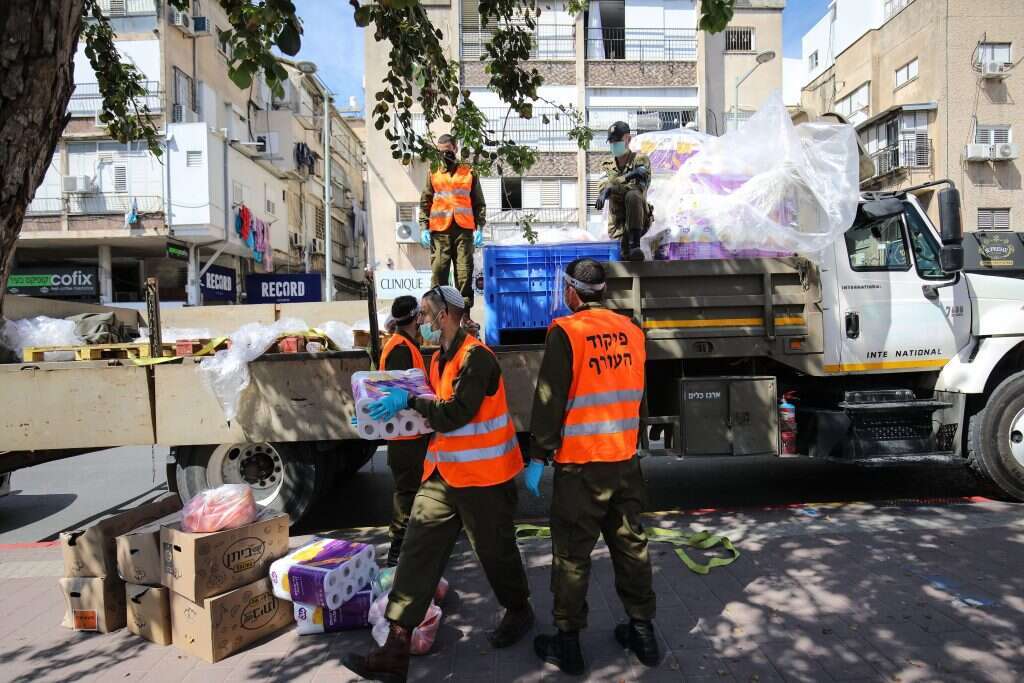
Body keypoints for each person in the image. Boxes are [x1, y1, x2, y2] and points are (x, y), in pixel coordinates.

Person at [344, 285, 534, 682]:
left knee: (495, 554)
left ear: (445, 315)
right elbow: (432, 411)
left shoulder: (477, 358)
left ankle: (519, 609)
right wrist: (380, 413)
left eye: (426, 315)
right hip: (442, 476)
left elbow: (455, 413)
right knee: (417, 551)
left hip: (485, 479)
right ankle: (395, 648)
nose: (422, 322)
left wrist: (410, 402)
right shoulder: (440, 358)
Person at [525, 258, 659, 675]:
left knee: (572, 555)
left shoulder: (567, 332)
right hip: (624, 461)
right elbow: (639, 393)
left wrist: (537, 455)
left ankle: (568, 645)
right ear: (604, 291)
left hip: (581, 468)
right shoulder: (632, 331)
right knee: (631, 546)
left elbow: (549, 399)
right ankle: (643, 634)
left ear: (571, 291)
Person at [379, 296, 430, 568]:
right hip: (406, 438)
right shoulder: (400, 348)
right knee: (407, 495)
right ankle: (397, 556)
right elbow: (400, 393)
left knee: (411, 494)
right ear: (415, 317)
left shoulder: (405, 344)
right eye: (421, 314)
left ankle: (408, 553)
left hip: (409, 435)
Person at [419, 134, 486, 333]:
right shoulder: (433, 172)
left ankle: (464, 316)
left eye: (448, 151)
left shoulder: (469, 172)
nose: (444, 155)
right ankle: (437, 316)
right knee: (439, 272)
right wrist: (423, 227)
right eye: (441, 152)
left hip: (463, 230)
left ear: (455, 149)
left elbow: (478, 202)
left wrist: (480, 228)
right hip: (440, 231)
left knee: (464, 273)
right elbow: (425, 201)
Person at [594, 121, 651, 261]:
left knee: (633, 195)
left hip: (639, 222)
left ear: (628, 139)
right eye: (611, 141)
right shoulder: (606, 165)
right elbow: (602, 187)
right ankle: (628, 250)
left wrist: (612, 186)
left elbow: (639, 187)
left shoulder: (640, 160)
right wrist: (629, 177)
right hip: (617, 224)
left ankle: (635, 245)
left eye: (617, 141)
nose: (614, 144)